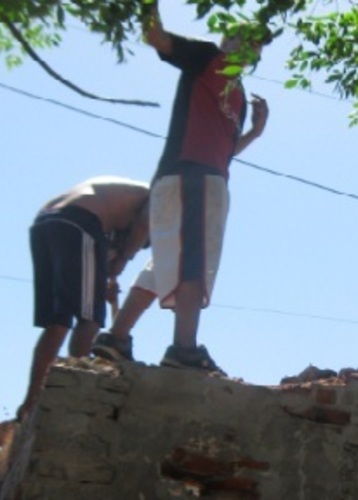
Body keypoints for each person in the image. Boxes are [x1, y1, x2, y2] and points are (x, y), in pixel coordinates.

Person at [134, 5, 271, 372]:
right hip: (190, 174)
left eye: (258, 46)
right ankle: (184, 349)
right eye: (250, 41)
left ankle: (116, 337)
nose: (255, 50)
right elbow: (157, 38)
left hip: (207, 176)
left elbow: (226, 153)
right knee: (193, 264)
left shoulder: (238, 93)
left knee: (169, 261)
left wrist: (255, 133)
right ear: (231, 39)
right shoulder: (208, 58)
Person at [18, 176, 149, 420]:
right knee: (90, 319)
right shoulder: (156, 196)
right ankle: (76, 392)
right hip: (79, 220)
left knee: (58, 323)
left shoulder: (118, 200)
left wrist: (103, 286)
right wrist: (124, 257)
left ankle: (31, 403)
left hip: (47, 220)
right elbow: (142, 227)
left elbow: (95, 264)